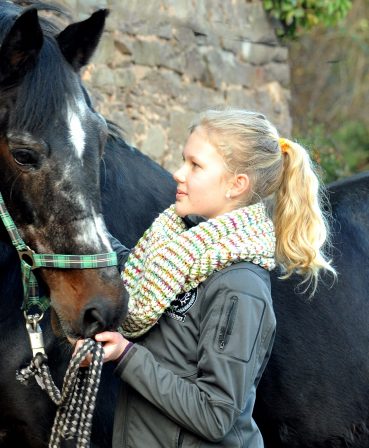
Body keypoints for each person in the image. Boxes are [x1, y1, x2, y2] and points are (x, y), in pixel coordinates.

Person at [75, 107, 335, 447]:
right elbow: (135, 271)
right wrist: (78, 234)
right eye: (184, 161)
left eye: (195, 165)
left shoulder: (241, 287)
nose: (177, 174)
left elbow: (215, 415)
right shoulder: (177, 248)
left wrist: (126, 356)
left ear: (236, 185)